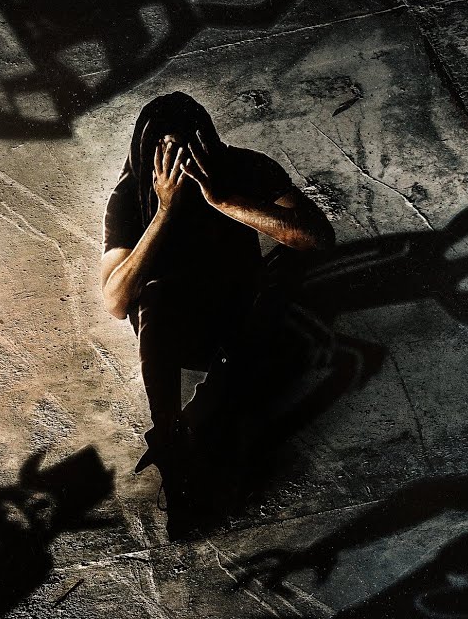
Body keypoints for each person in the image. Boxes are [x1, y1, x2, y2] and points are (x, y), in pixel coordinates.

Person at [99, 91, 334, 481]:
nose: (180, 167)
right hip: (178, 334)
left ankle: (211, 405)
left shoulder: (243, 166)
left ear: (206, 145)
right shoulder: (131, 195)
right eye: (167, 155)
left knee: (292, 261)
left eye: (188, 153)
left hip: (240, 317)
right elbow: (115, 301)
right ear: (149, 156)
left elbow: (319, 237)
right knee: (150, 290)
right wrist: (164, 212)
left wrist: (224, 200)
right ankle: (168, 433)